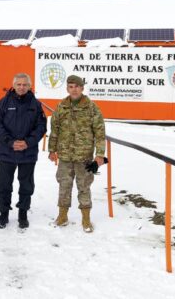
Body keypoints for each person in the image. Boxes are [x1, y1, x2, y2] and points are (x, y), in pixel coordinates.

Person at [48, 75, 106, 233]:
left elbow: (100, 133)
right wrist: (52, 149)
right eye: (71, 86)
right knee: (64, 186)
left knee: (84, 187)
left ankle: (86, 218)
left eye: (77, 86)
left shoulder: (92, 108)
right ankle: (62, 215)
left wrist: (100, 154)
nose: (74, 89)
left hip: (84, 157)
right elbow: (55, 130)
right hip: (65, 156)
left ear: (82, 88)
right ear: (67, 89)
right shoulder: (61, 107)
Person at [0, 73, 47, 229]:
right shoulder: (3, 103)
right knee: (3, 185)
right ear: (13, 85)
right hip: (7, 152)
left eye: (25, 85)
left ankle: (23, 213)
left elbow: (41, 126)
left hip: (27, 153)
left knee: (26, 185)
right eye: (19, 84)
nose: (22, 87)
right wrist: (10, 142)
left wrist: (28, 142)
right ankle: (3, 214)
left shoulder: (35, 105)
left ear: (30, 86)